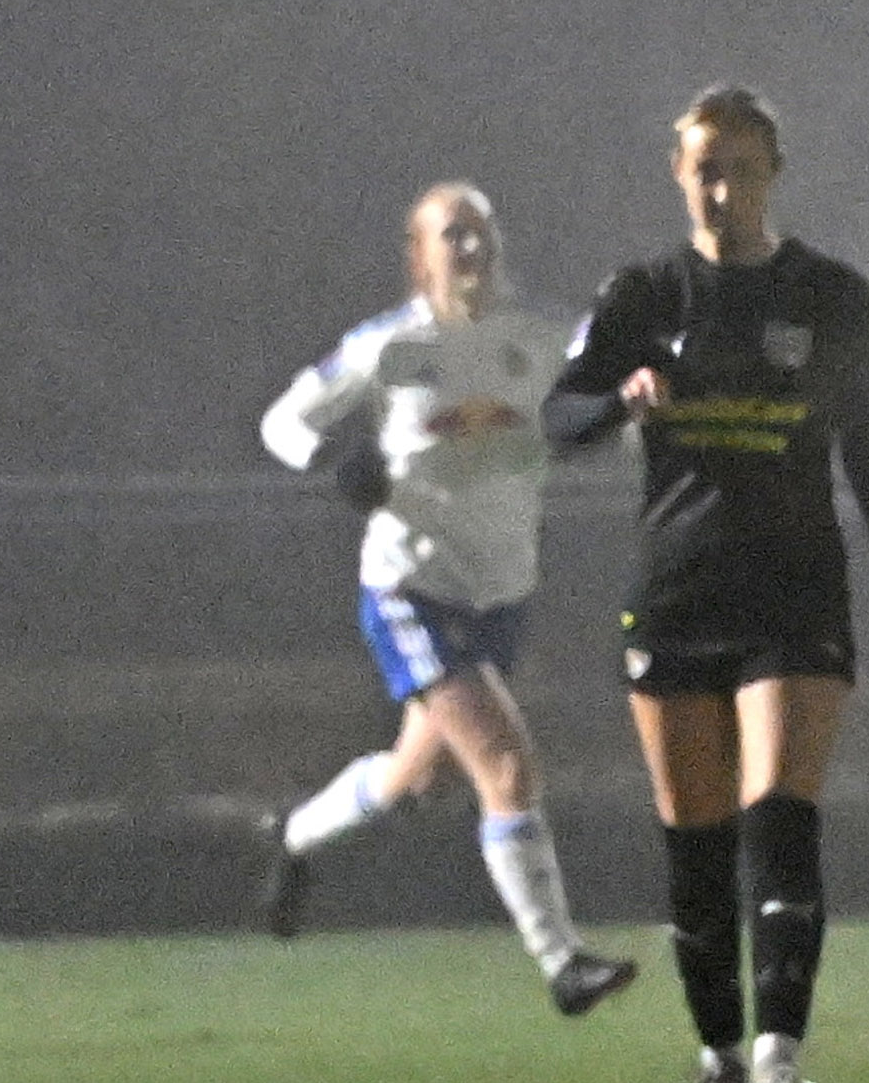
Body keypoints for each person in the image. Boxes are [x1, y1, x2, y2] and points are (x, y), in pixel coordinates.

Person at [543, 85, 869, 1083]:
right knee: (697, 843)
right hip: (676, 593)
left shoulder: (831, 297)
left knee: (781, 815)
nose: (723, 189)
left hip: (795, 591)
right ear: (680, 172)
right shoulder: (643, 294)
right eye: (706, 168)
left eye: (743, 169)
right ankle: (718, 1056)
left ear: (773, 173)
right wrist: (614, 398)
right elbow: (559, 411)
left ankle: (777, 1052)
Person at [256, 182, 640, 1018]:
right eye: (451, 235)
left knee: (411, 780)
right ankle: (561, 961)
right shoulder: (388, 346)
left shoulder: (541, 338)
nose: (470, 249)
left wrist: (628, 406)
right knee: (508, 764)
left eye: (481, 234)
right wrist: (334, 464)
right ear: (418, 254)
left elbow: (610, 399)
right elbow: (283, 422)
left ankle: (292, 835)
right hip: (410, 590)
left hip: (500, 594)